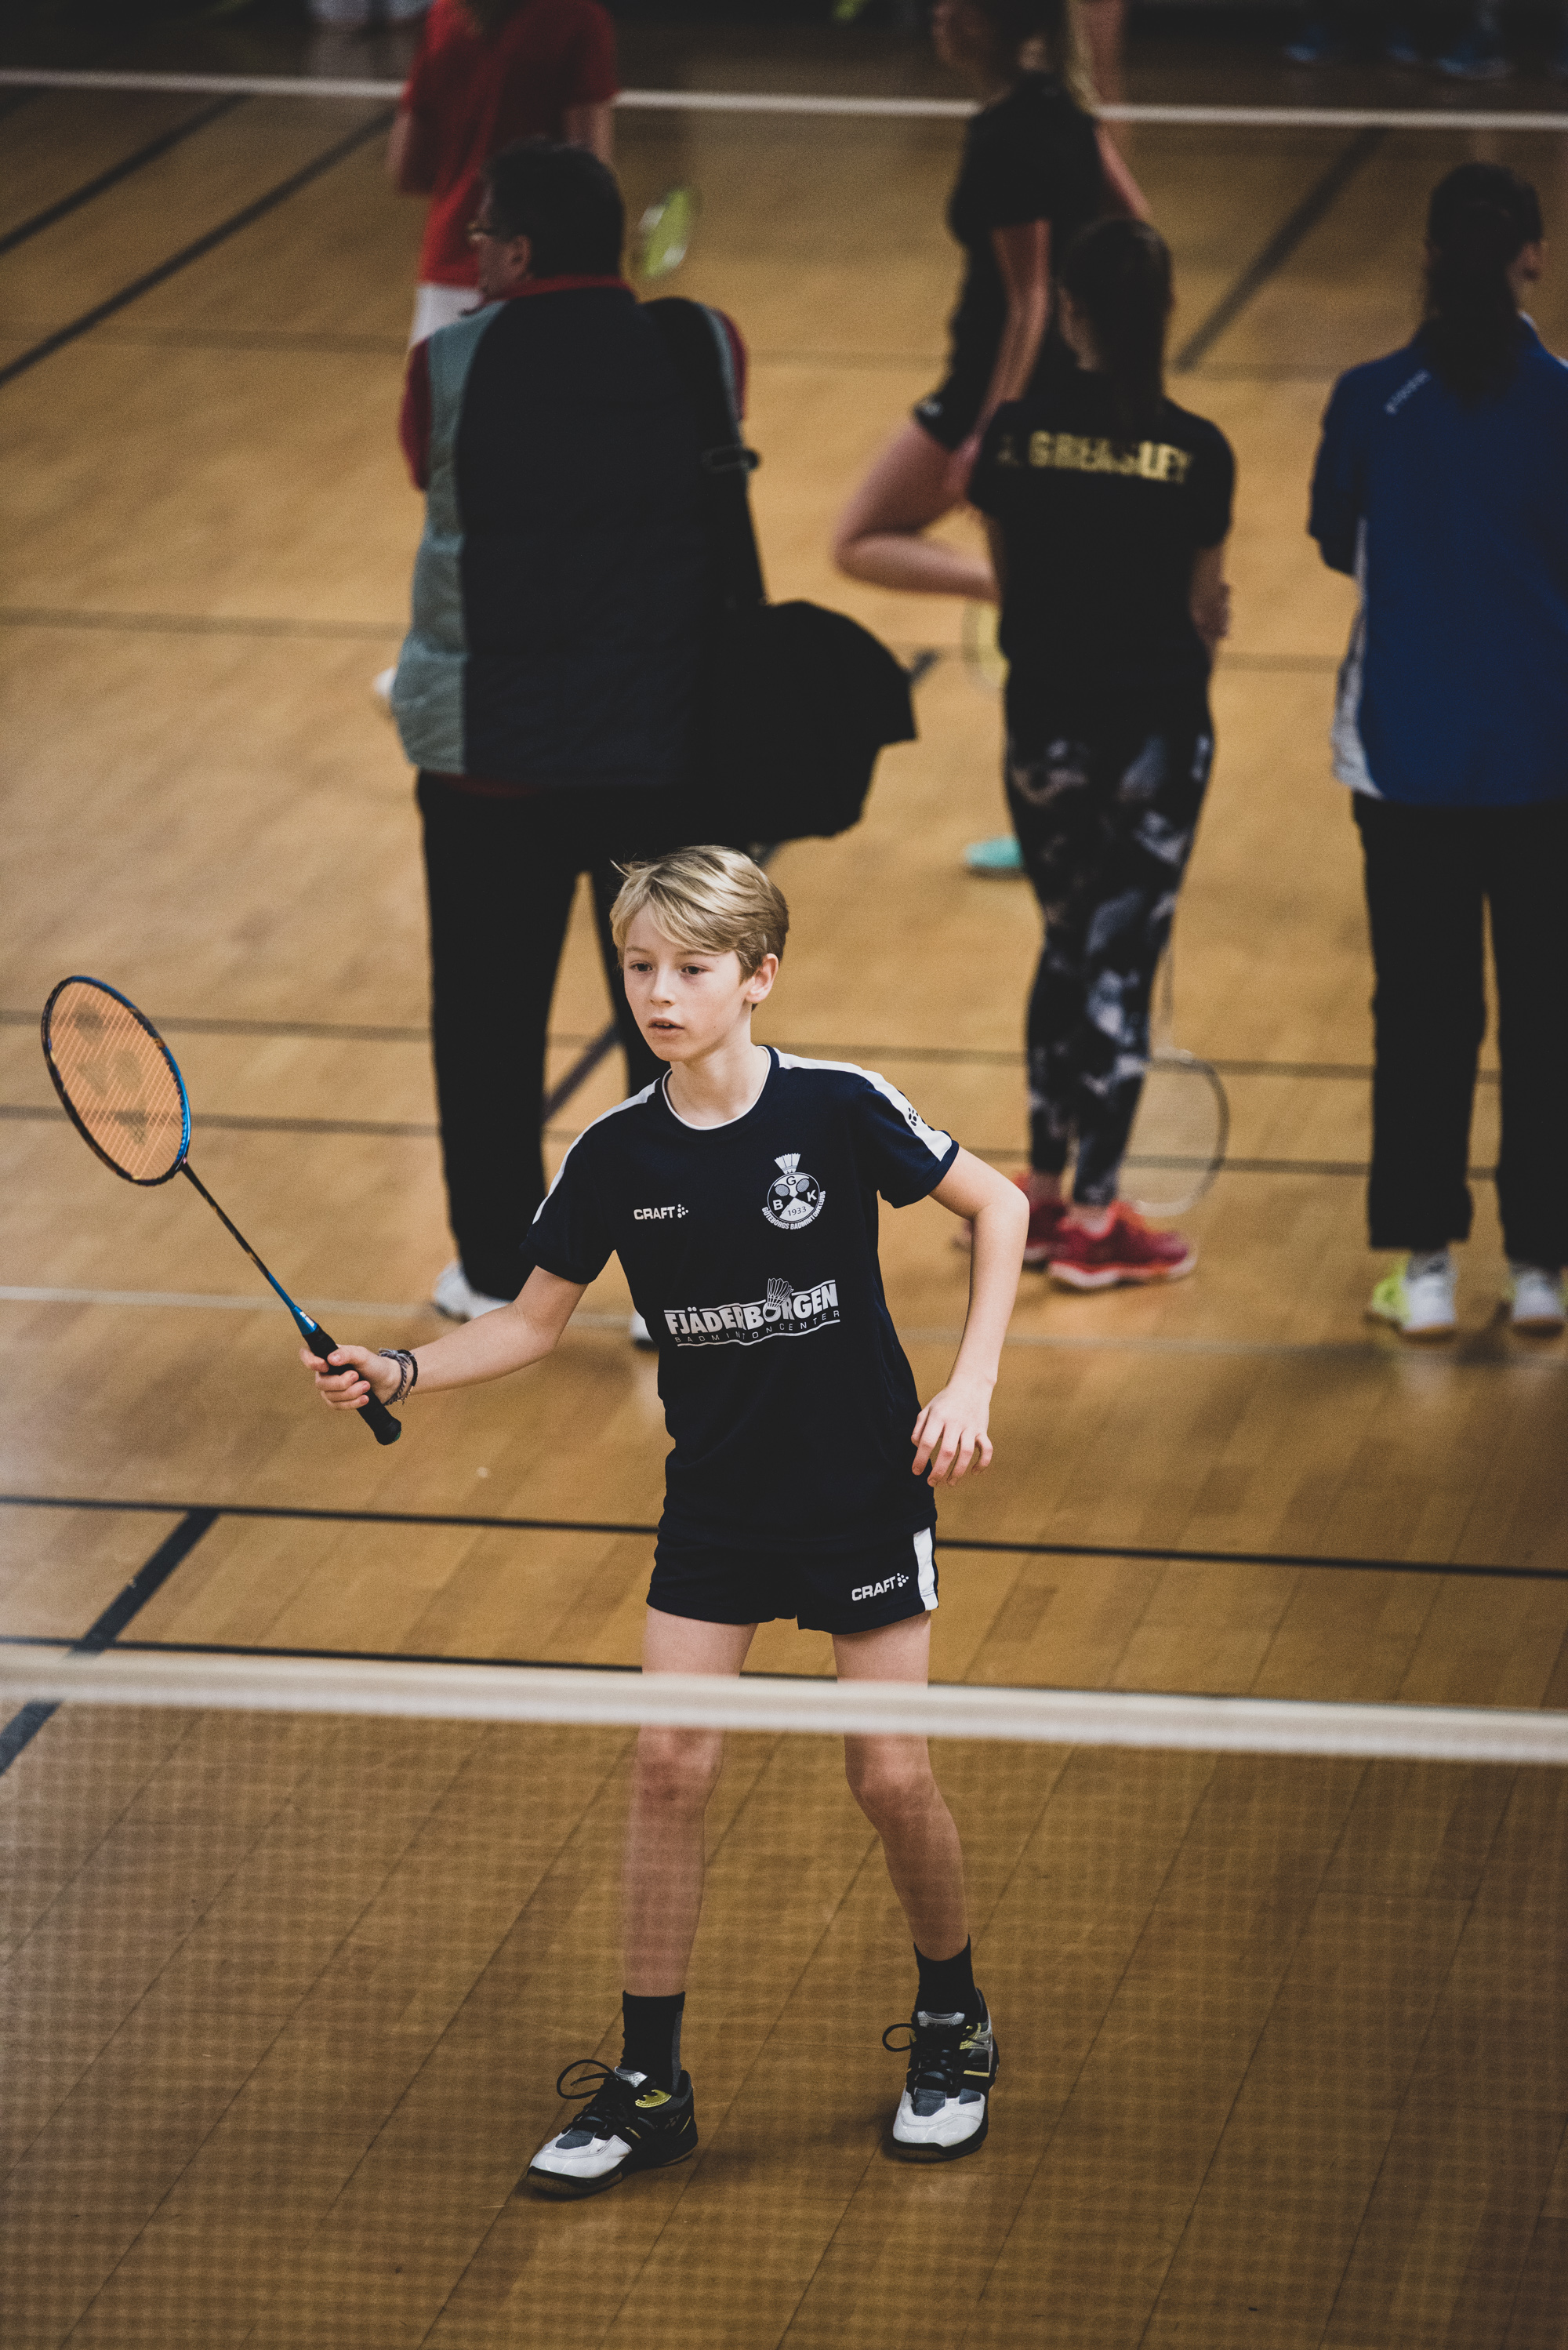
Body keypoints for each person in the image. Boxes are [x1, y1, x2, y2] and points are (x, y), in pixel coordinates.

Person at [303, 846, 1031, 2189]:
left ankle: (954, 2020)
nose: (659, 992)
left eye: (692, 968)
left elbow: (1000, 1203)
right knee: (668, 1767)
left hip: (864, 1490)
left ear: (759, 977)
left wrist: (972, 1382)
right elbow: (531, 1321)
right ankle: (650, 2084)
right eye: (640, 965)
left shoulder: (836, 1107)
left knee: (889, 1777)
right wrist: (401, 1369)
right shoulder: (614, 1151)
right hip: (718, 1502)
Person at [390, 140, 738, 1323]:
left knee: (486, 1026)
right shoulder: (705, 345)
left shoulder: (444, 363)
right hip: (661, 755)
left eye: (485, 232)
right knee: (678, 1022)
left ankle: (497, 1271)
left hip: (491, 764)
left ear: (523, 250)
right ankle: (676, 1283)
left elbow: (426, 469)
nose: (473, 249)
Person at [1308, 163, 1568, 1342]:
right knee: (1546, 1014)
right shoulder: (1561, 402)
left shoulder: (1371, 398)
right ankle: (1541, 1271)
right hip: (1545, 765)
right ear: (1532, 257)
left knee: (1420, 1013)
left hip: (1404, 762)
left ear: (1426, 256)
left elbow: (1336, 537)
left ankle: (1423, 1273)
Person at [967, 217, 1233, 1288]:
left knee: (1066, 943)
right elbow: (1202, 612)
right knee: (1120, 962)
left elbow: (1008, 587)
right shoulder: (1197, 451)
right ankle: (1091, 1220)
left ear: (1067, 311)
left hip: (1043, 732)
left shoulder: (1013, 439)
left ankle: (1038, 1192)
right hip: (1154, 739)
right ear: (1162, 313)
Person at [832, 0, 1145, 607]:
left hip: (990, 381)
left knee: (858, 540)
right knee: (1055, 545)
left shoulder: (1005, 141)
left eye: (950, 8)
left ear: (984, 24)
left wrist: (989, 431)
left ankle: (1018, 593)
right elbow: (1132, 219)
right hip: (1069, 373)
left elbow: (1028, 301)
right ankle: (1036, 595)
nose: (937, 16)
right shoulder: (1064, 105)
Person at [390, 0, 617, 347]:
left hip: (447, 272)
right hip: (542, 279)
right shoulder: (577, 17)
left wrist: (465, 186)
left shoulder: (445, 15)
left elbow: (405, 170)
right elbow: (587, 174)